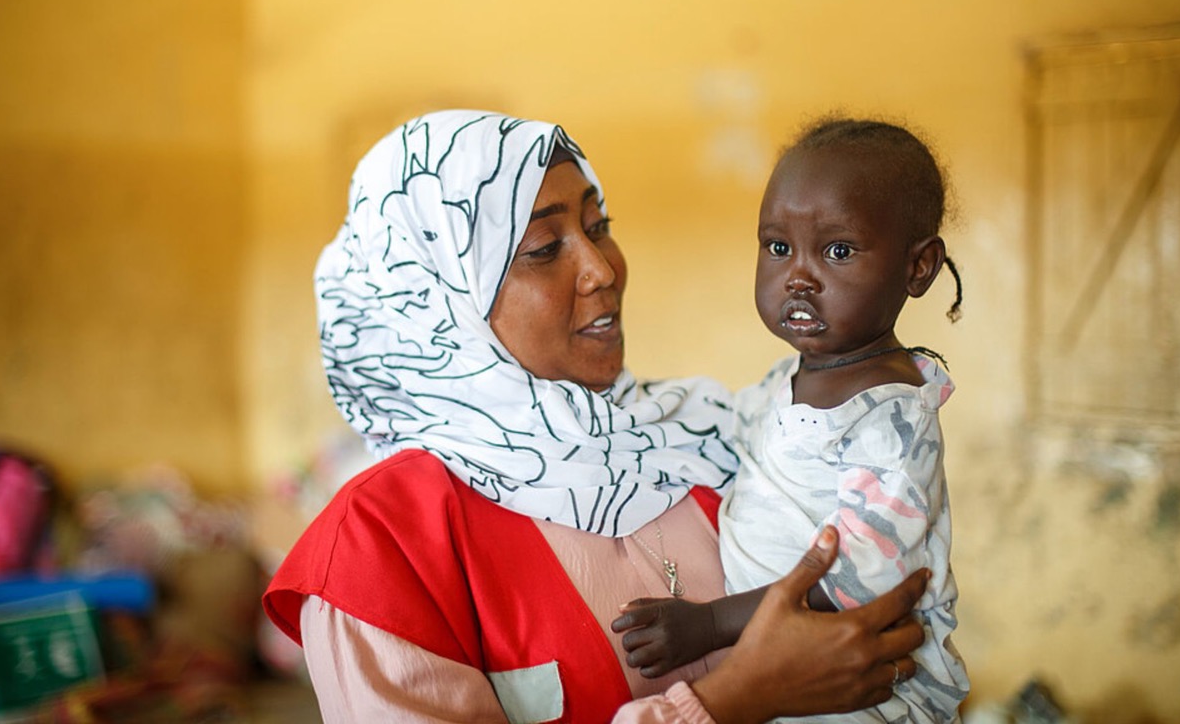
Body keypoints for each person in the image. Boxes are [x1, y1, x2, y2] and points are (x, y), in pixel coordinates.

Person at [263, 110, 931, 723]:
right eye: (543, 248)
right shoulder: (380, 547)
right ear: (439, 299)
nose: (602, 269)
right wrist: (730, 700)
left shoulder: (706, 437)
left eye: (598, 227)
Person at [611, 118, 970, 723]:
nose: (798, 276)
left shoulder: (891, 423)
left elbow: (862, 579)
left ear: (919, 267)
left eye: (838, 250)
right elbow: (722, 421)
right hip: (790, 681)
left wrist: (710, 624)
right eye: (778, 247)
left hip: (867, 694)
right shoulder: (789, 380)